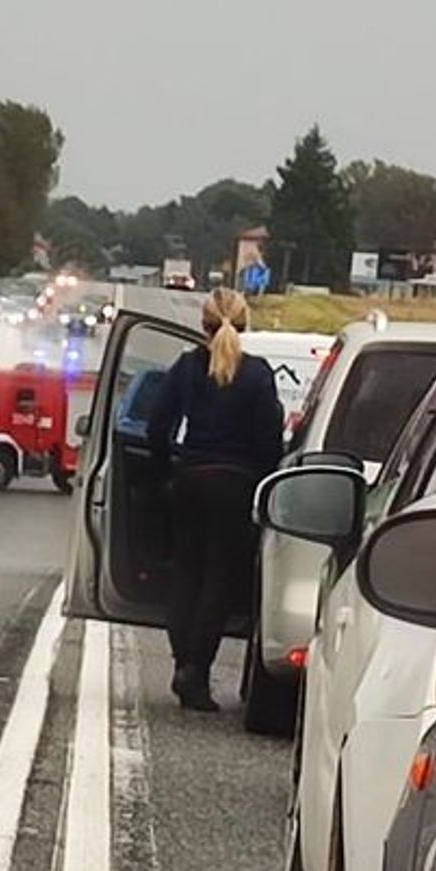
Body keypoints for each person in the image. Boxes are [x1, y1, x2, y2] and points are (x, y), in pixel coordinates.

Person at [147, 288, 283, 712]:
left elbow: (156, 426)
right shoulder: (258, 374)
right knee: (218, 582)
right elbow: (269, 441)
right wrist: (262, 484)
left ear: (203, 325)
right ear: (243, 325)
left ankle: (183, 659)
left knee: (186, 573)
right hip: (235, 486)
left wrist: (168, 469)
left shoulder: (186, 367)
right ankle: (197, 671)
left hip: (191, 480)